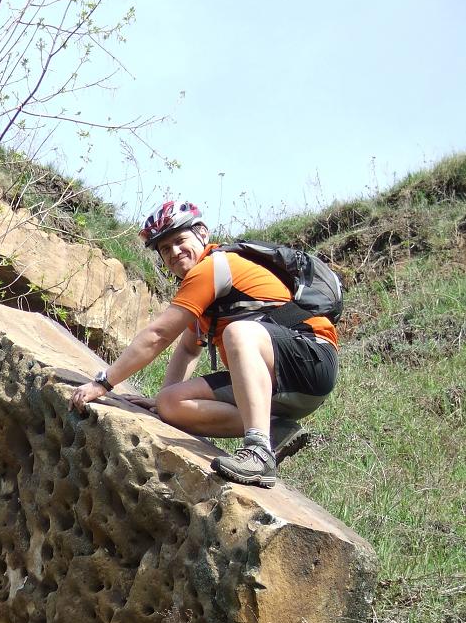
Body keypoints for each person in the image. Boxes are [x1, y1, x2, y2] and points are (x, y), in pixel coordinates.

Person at [70, 200, 338, 488]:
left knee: (238, 333)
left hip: (310, 361)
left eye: (179, 241)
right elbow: (188, 349)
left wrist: (103, 383)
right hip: (275, 382)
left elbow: (159, 335)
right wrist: (161, 401)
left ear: (202, 233)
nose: (174, 252)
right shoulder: (206, 294)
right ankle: (275, 428)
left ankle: (259, 453)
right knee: (171, 404)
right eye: (165, 249)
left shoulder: (213, 267)